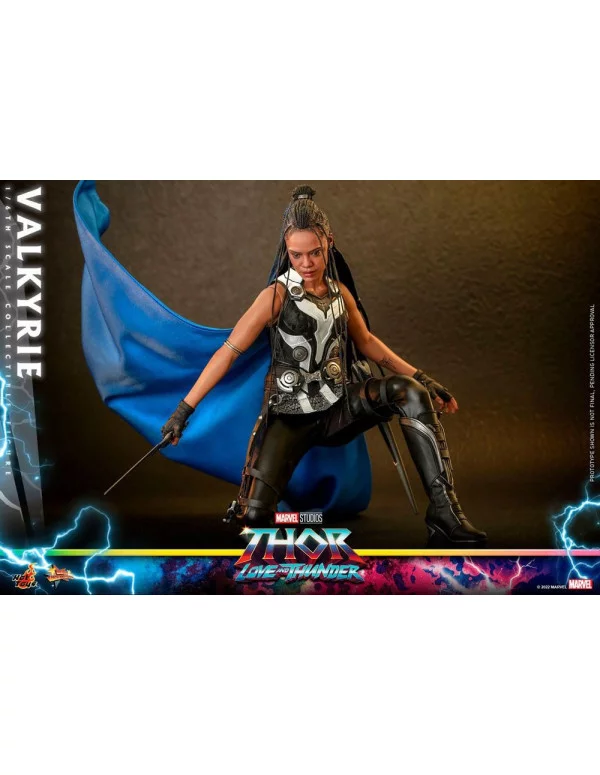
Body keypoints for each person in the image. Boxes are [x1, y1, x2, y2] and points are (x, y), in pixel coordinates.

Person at [161, 186, 487, 545]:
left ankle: (445, 513)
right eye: (296, 255)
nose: (306, 264)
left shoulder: (339, 292)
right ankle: (307, 520)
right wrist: (184, 410)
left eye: (314, 252)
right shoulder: (275, 296)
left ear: (329, 243)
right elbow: (228, 352)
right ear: (286, 250)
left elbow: (367, 343)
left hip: (339, 409)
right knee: (254, 519)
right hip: (289, 416)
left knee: (409, 392)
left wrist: (423, 379)